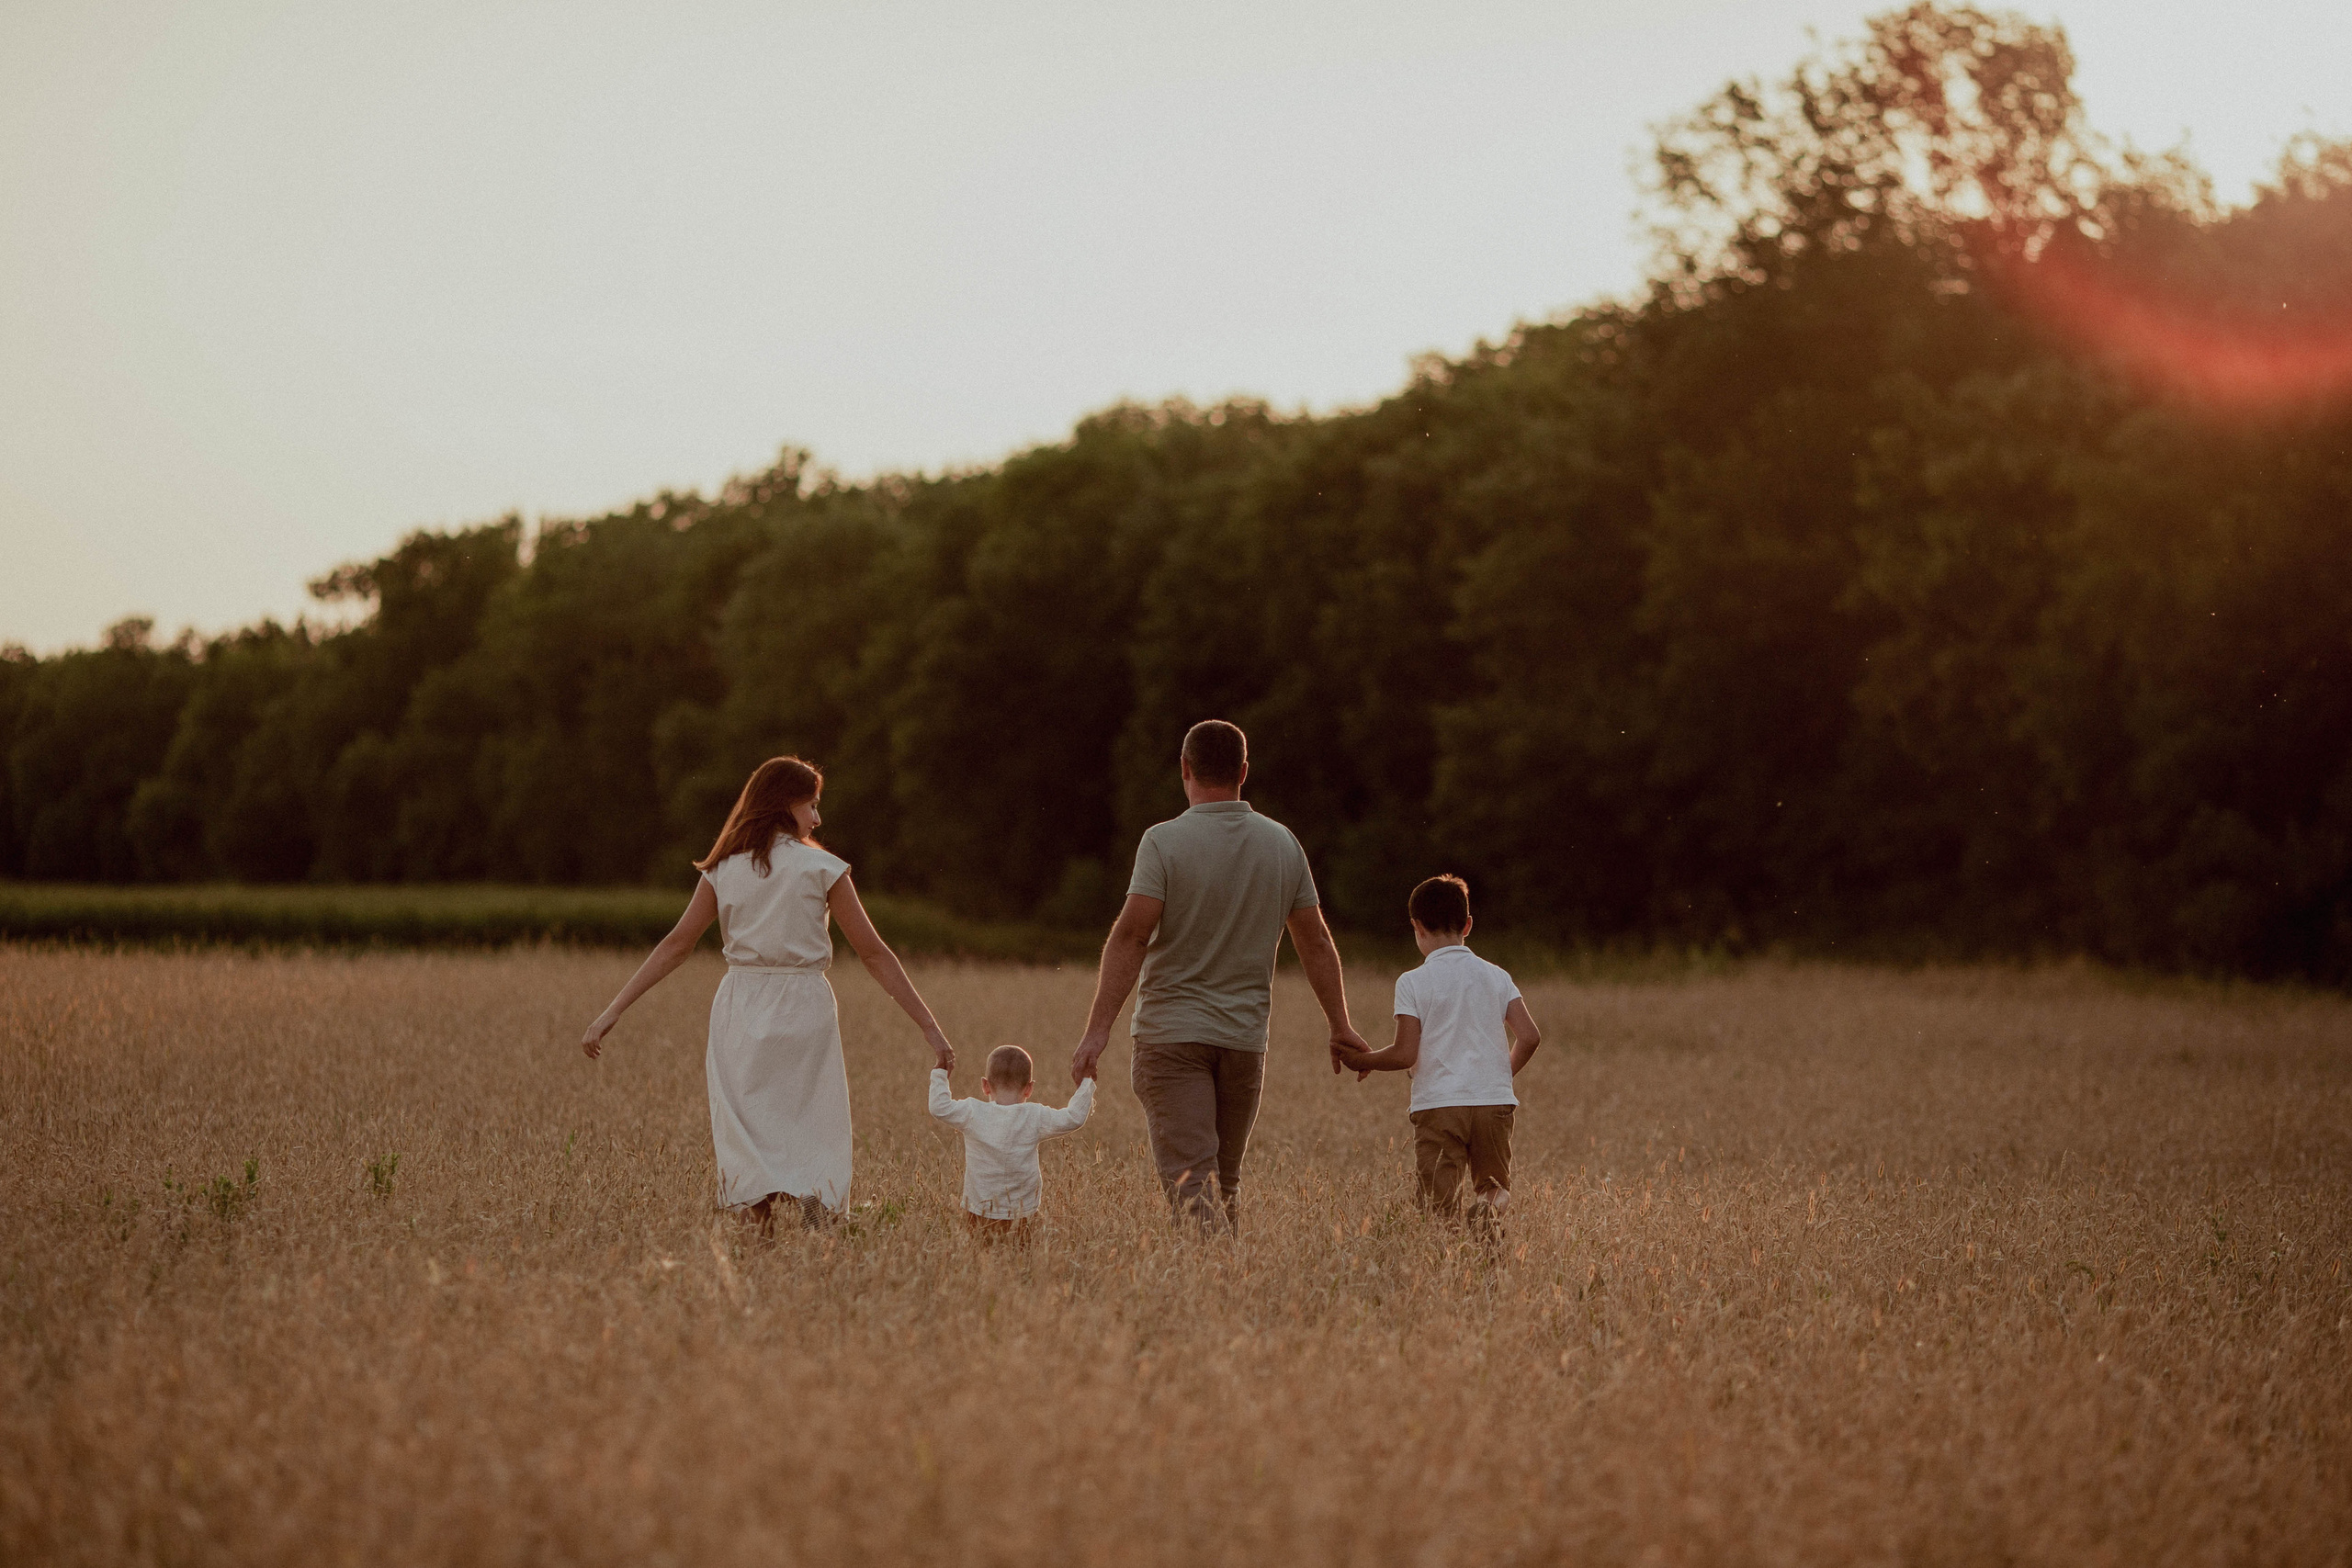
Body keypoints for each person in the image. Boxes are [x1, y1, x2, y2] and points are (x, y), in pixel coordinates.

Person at [580, 756, 955, 1236]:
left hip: (740, 1008)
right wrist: (930, 1028)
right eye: (811, 805)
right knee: (813, 1131)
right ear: (785, 804)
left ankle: (757, 1240)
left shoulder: (724, 868)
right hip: (804, 1007)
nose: (817, 818)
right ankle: (819, 1232)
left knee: (747, 1134)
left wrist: (611, 1012)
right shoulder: (823, 868)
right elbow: (874, 954)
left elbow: (676, 945)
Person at [1070, 719, 1368, 1231]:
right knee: (1222, 1187)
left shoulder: (1162, 842)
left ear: (1185, 769)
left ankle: (1210, 1278)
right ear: (1243, 772)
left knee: (1193, 1188)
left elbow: (1132, 936)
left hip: (1170, 1038)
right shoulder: (1282, 843)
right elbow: (1316, 941)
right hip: (1244, 1041)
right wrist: (1340, 1025)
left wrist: (1097, 1032)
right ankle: (1225, 1280)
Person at [1336, 874, 1542, 1229]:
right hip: (1493, 1102)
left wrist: (1362, 1060)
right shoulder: (1497, 976)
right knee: (1494, 1188)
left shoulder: (1412, 982)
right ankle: (1488, 1213)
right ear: (1468, 925)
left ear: (1417, 927)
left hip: (1439, 1104)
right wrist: (1499, 1075)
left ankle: (1443, 1261)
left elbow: (1404, 1054)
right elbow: (1530, 1036)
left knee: (1438, 1205)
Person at [928, 1044, 1096, 1242]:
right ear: (1029, 1088)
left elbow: (939, 1107)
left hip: (978, 1210)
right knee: (1020, 1256)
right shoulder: (1034, 1116)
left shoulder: (972, 1112)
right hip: (1022, 1212)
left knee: (977, 1256)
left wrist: (941, 1072)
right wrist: (1086, 1083)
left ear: (985, 1085)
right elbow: (1074, 1117)